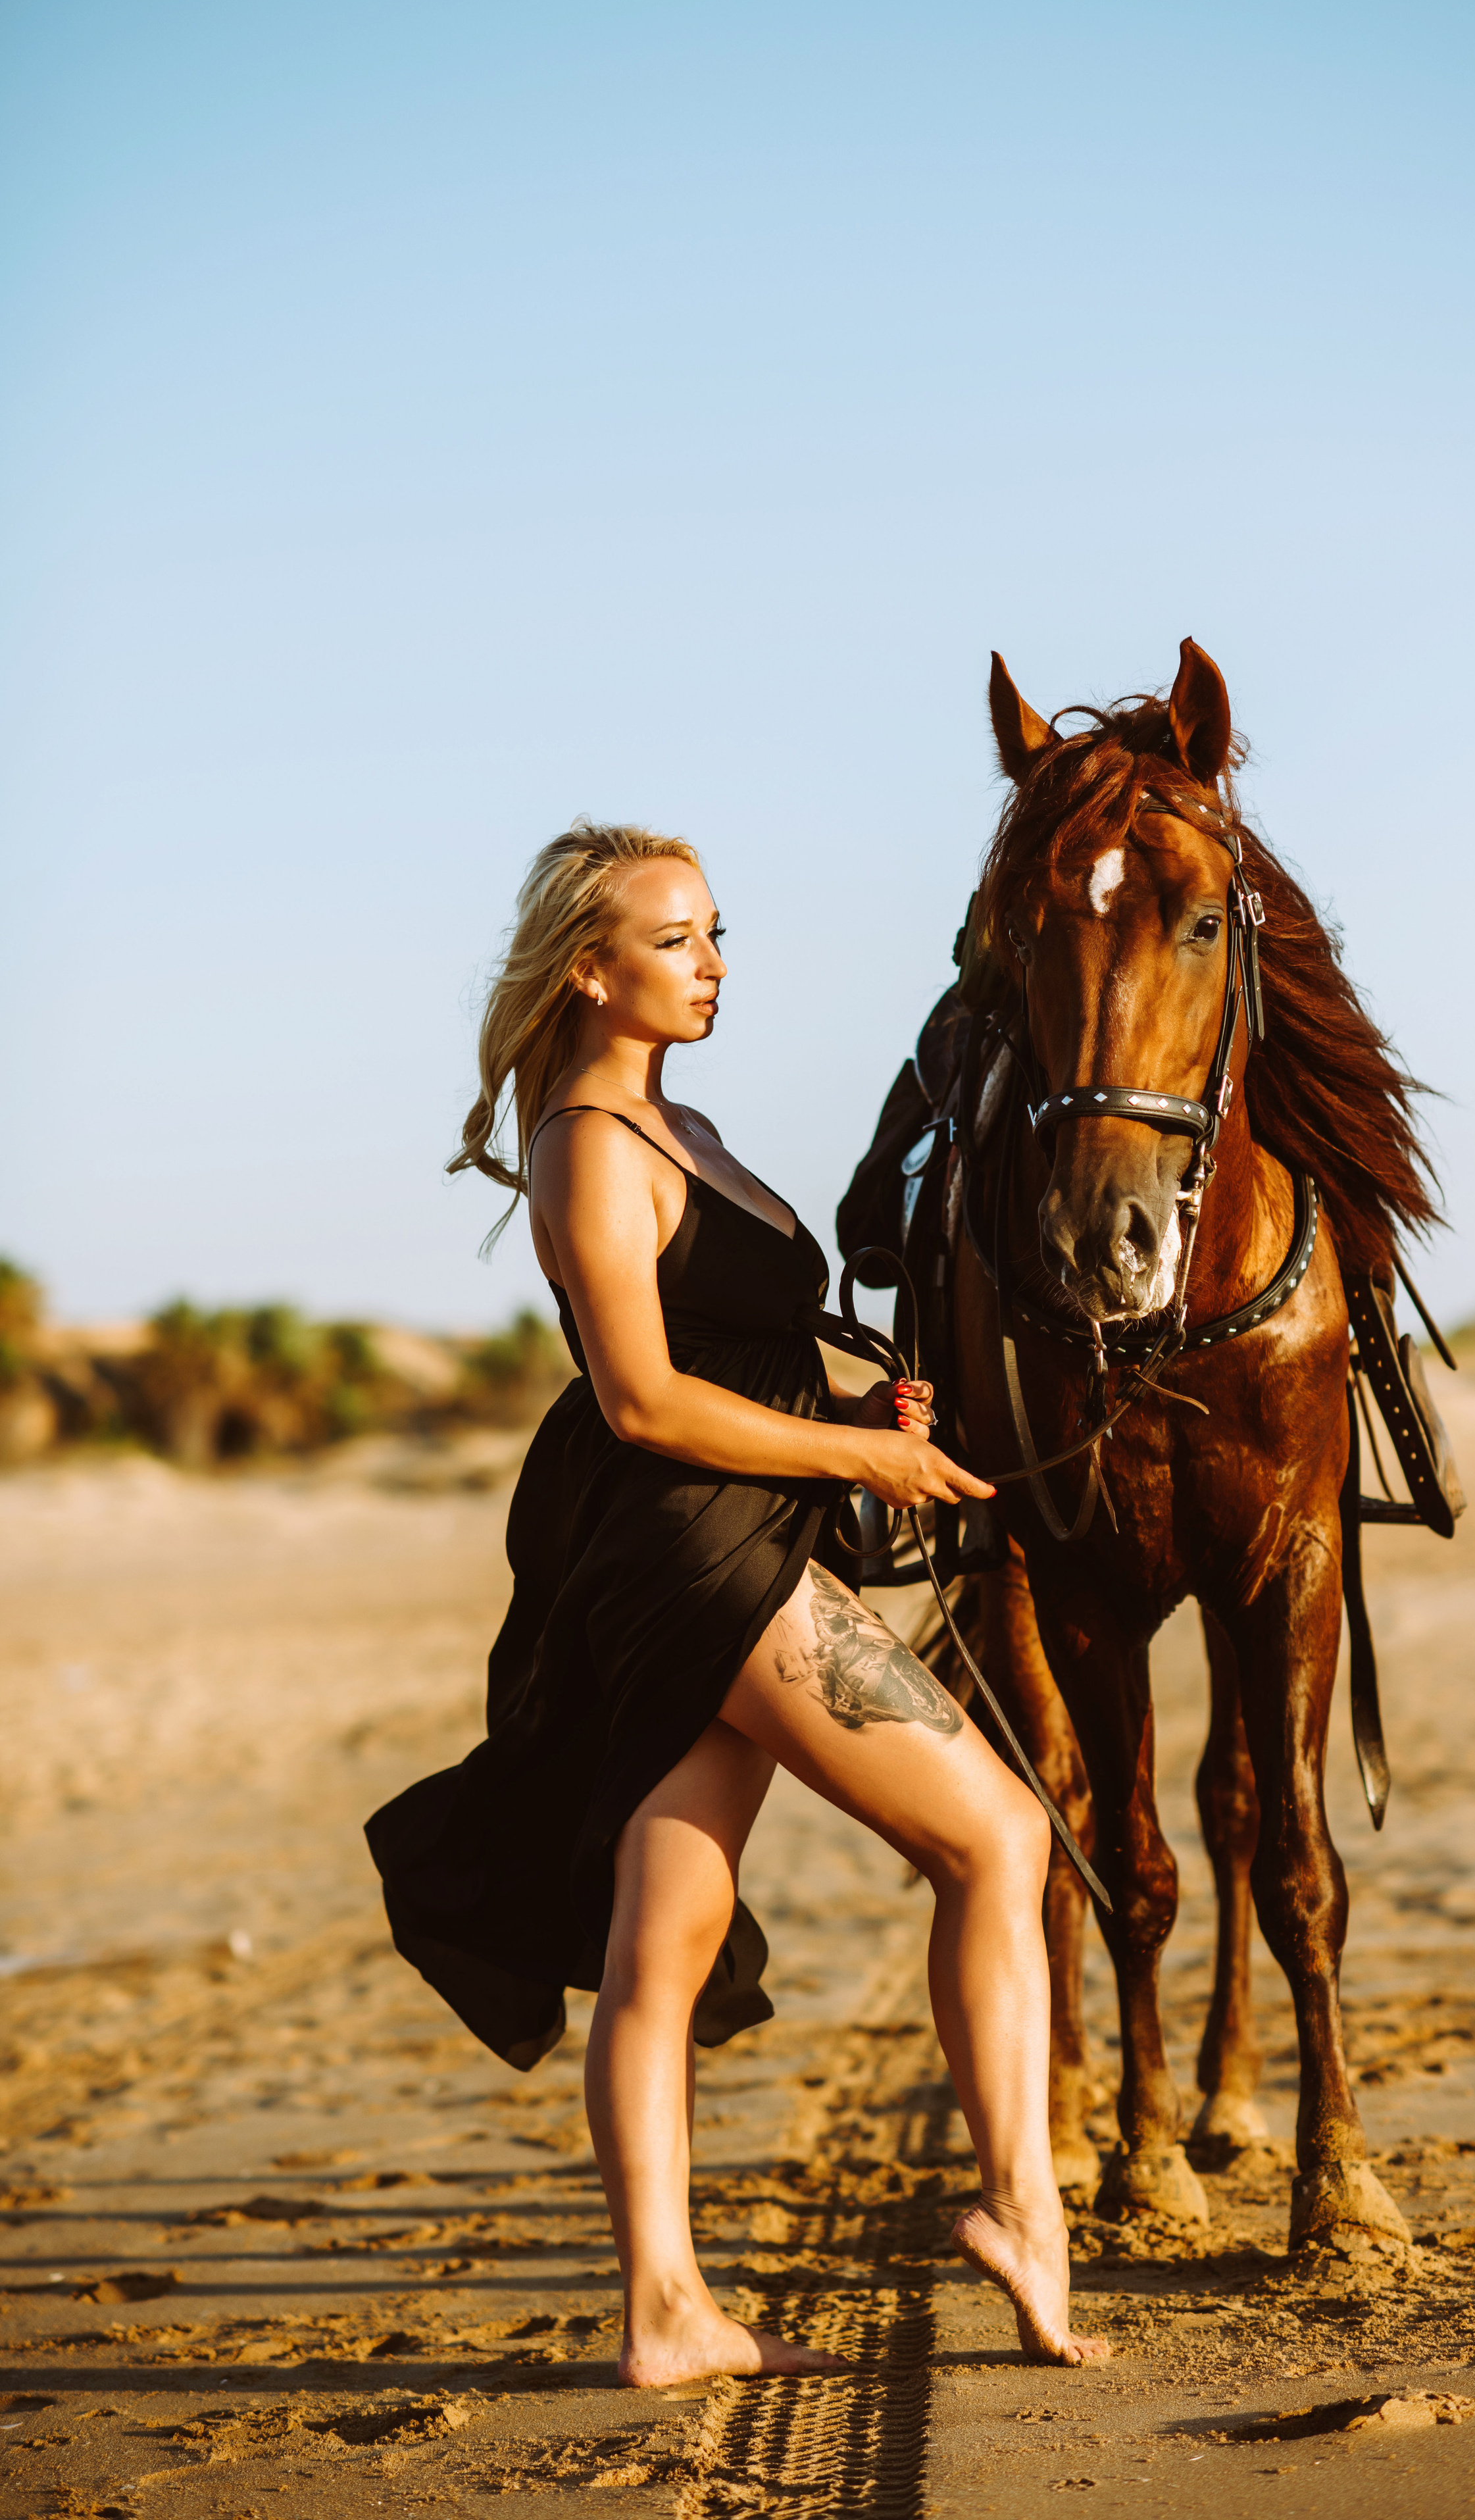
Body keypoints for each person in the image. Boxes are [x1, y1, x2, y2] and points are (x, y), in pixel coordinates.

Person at [366, 819, 1107, 2386]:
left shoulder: (675, 1120)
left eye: (717, 933)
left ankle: (665, 2313)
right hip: (702, 1554)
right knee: (996, 1836)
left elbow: (729, 1347)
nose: (713, 964)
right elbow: (639, 1400)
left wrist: (860, 1404)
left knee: (666, 1938)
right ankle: (1022, 2211)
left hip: (728, 1538)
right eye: (678, 938)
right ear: (590, 966)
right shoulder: (587, 1141)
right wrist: (856, 1456)